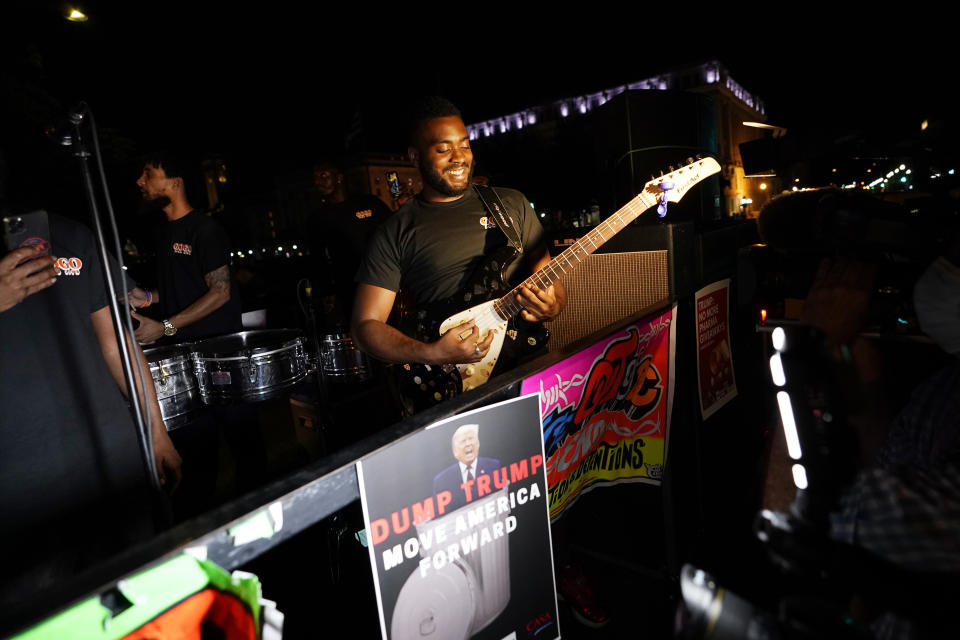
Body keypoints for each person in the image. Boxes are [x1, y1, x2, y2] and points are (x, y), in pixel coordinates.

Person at [0, 213, 181, 620]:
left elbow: (118, 345)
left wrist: (156, 433)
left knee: (142, 607)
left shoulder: (69, 234)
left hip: (113, 464)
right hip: (18, 499)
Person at [351, 96, 566, 369]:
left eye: (465, 145)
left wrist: (554, 304)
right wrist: (432, 353)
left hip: (528, 365)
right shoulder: (395, 231)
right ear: (414, 157)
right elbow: (364, 327)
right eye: (443, 149)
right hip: (454, 381)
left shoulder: (511, 203)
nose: (459, 157)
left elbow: (549, 279)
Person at [127, 152, 241, 343]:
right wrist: (147, 297)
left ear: (175, 183)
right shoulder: (164, 232)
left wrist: (165, 327)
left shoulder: (204, 230)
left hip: (216, 350)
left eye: (148, 174)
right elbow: (185, 289)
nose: (140, 181)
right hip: (182, 348)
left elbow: (220, 293)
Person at [307, 161, 390, 330]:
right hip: (348, 289)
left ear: (338, 178)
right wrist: (325, 292)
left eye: (323, 175)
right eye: (315, 178)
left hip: (383, 284)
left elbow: (395, 233)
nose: (318, 182)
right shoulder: (318, 218)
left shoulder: (369, 203)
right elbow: (317, 259)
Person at [433, 423, 500, 513]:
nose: (468, 444)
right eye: (463, 441)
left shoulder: (493, 466)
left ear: (478, 443)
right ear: (455, 451)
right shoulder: (442, 481)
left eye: (471, 439)